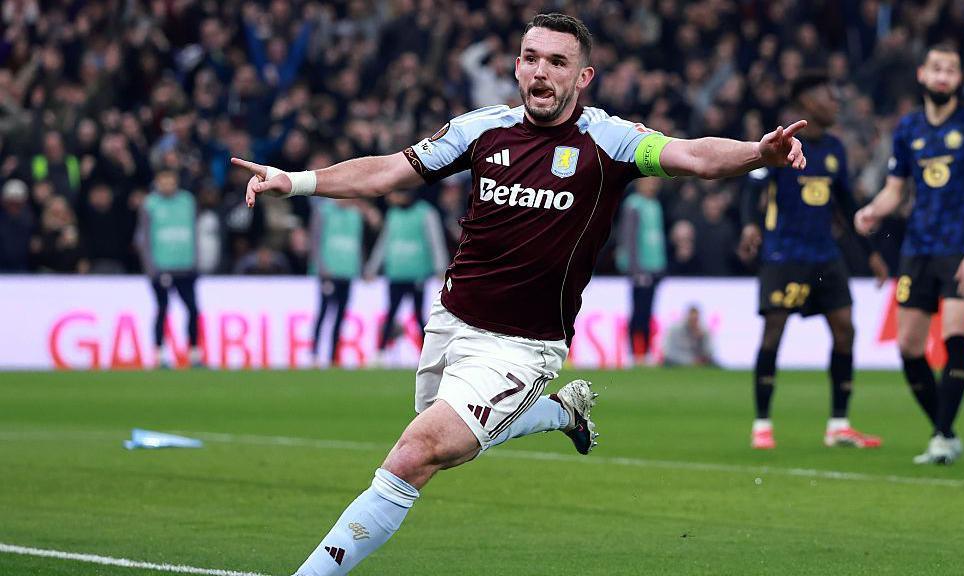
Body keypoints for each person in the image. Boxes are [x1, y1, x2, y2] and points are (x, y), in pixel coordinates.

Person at [231, 14, 807, 575]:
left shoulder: (607, 141)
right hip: (451, 323)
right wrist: (296, 181)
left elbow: (693, 157)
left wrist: (758, 154)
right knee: (451, 448)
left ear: (583, 78)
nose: (541, 72)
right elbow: (390, 171)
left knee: (416, 454)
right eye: (532, 58)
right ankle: (561, 411)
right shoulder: (482, 130)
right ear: (516, 66)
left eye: (558, 62)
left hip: (523, 346)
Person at [855, 44, 964, 465]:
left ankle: (940, 437)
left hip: (960, 249)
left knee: (955, 338)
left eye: (951, 69)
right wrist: (871, 211)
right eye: (936, 68)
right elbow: (895, 190)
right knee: (909, 347)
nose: (942, 75)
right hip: (917, 249)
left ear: (958, 79)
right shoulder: (908, 128)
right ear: (922, 74)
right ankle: (947, 431)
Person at [739, 71, 889, 451]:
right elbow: (752, 185)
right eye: (828, 96)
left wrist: (870, 253)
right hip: (784, 255)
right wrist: (748, 226)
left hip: (825, 255)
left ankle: (839, 424)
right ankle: (762, 425)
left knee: (846, 330)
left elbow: (847, 205)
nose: (835, 102)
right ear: (807, 103)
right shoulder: (778, 144)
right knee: (774, 333)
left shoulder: (836, 149)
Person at [365, 190, 447, 366]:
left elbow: (435, 240)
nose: (389, 198)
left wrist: (440, 267)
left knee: (418, 316)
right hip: (395, 273)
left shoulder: (426, 212)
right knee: (391, 313)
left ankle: (428, 356)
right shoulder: (393, 214)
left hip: (417, 273)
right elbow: (384, 243)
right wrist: (373, 267)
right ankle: (380, 353)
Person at [136, 169, 203, 369]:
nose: (167, 184)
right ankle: (158, 354)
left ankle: (194, 354)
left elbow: (194, 232)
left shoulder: (188, 201)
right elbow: (143, 238)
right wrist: (151, 269)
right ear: (157, 182)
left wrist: (196, 263)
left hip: (185, 267)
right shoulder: (150, 204)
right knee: (162, 309)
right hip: (161, 267)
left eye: (170, 180)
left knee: (192, 309)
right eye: (163, 180)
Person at [309, 198, 379, 368]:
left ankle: (333, 356)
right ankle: (314, 354)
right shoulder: (323, 211)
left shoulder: (355, 215)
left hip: (347, 273)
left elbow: (358, 244)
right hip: (328, 273)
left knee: (340, 316)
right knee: (324, 313)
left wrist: (362, 269)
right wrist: (321, 268)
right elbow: (315, 241)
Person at [615, 178, 666, 366]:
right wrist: (635, 269)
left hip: (654, 267)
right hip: (641, 268)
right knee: (639, 311)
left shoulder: (655, 204)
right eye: (649, 181)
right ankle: (635, 353)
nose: (653, 184)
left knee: (648, 311)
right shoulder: (633, 205)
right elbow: (629, 238)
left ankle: (645, 351)